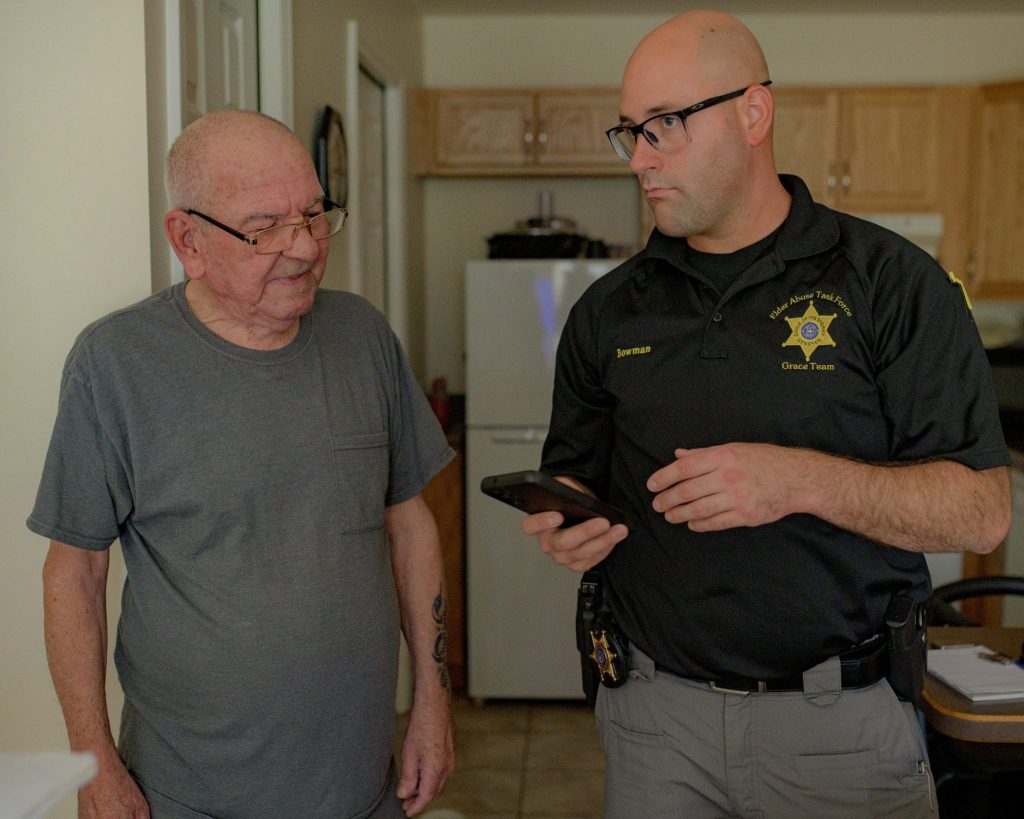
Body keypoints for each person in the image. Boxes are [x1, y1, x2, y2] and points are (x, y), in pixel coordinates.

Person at [523, 10, 1011, 818]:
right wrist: (568, 522)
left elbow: (982, 511)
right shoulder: (608, 312)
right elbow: (575, 474)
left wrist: (799, 479)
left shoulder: (892, 285)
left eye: (665, 127)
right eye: (630, 133)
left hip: (843, 726)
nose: (639, 158)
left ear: (753, 113)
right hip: (654, 722)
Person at [28, 109, 455, 818]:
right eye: (264, 227)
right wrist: (93, 759)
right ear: (187, 240)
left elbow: (410, 527)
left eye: (315, 215)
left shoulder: (363, 337)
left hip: (362, 790)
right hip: (189, 796)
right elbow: (74, 571)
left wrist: (434, 705)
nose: (303, 248)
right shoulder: (115, 364)